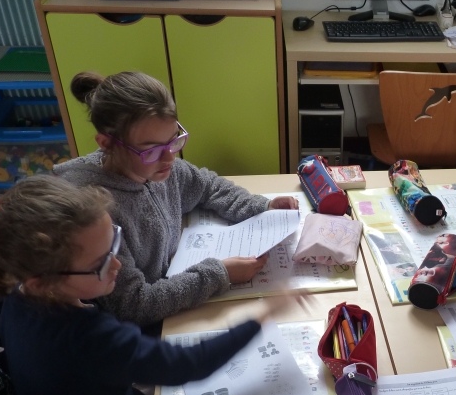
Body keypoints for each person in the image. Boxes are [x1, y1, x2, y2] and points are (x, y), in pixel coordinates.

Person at [0, 176, 299, 395]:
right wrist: (261, 317)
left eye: (114, 242)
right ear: (41, 281)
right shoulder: (91, 338)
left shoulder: (15, 298)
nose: (117, 264)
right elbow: (189, 364)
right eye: (100, 264)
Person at [54, 71, 298, 327]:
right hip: (141, 328)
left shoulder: (156, 167)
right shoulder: (94, 212)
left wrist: (261, 205)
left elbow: (207, 185)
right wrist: (220, 274)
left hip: (172, 286)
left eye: (173, 141)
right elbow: (132, 304)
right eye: (151, 150)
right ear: (106, 143)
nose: (170, 158)